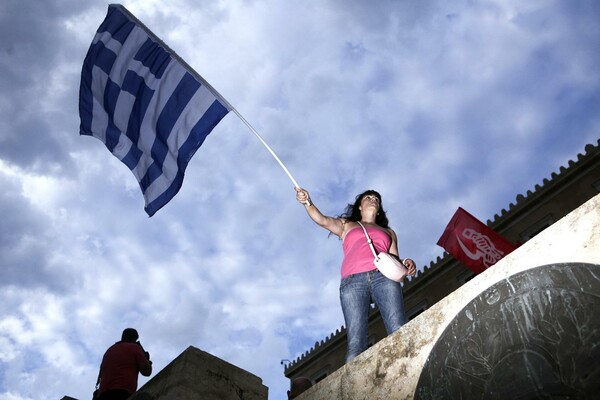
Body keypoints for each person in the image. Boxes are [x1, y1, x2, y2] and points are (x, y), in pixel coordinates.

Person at [296, 188, 417, 363]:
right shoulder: (347, 224)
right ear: (360, 206)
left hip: (383, 277)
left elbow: (394, 259)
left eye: (376, 198)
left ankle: (409, 368)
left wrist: (406, 262)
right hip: (353, 282)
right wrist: (307, 202)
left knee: (398, 328)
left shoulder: (389, 232)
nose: (373, 199)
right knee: (355, 343)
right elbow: (322, 220)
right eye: (368, 197)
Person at [96, 328, 153, 400]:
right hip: (122, 393)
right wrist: (147, 360)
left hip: (102, 395)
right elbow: (147, 372)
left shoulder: (109, 350)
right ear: (135, 338)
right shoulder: (135, 347)